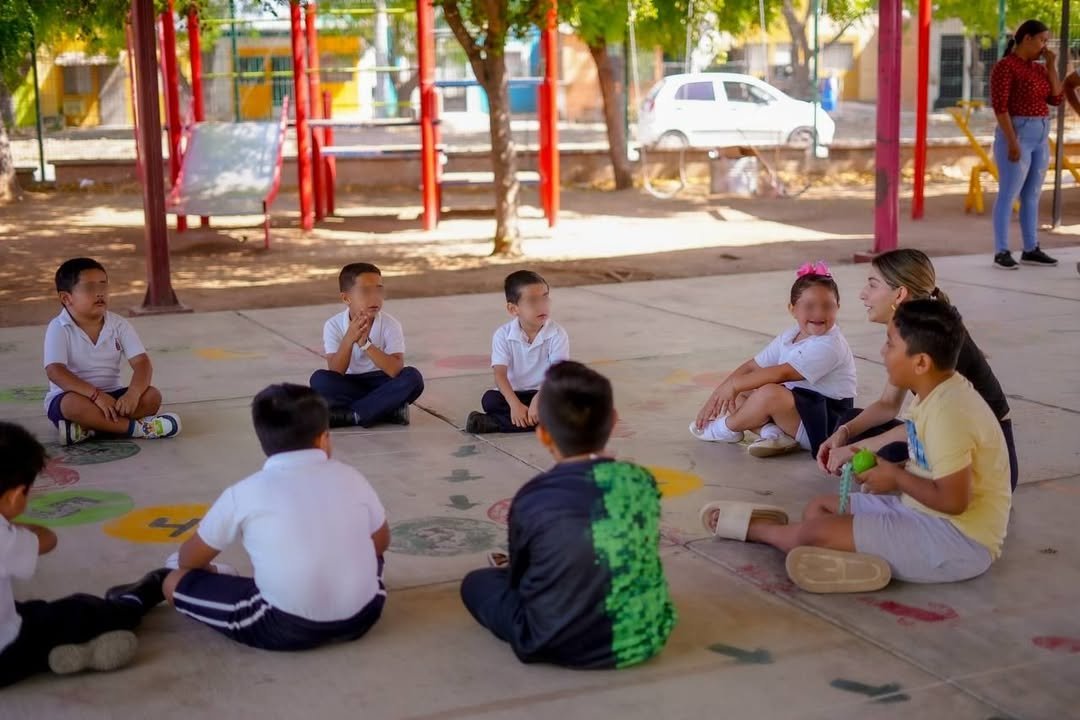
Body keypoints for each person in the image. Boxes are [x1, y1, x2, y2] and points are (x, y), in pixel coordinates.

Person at [700, 301, 1012, 593]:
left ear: (920, 362)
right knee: (819, 509)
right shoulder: (937, 392)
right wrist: (860, 450)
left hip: (958, 542)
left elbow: (955, 501)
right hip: (923, 513)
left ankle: (761, 531)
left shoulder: (950, 413)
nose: (882, 351)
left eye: (890, 344)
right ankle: (855, 560)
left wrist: (896, 477)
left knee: (813, 534)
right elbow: (914, 436)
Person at [460, 361, 676, 668]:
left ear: (543, 435)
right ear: (613, 421)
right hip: (644, 638)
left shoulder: (532, 497)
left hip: (551, 641)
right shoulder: (641, 481)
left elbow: (520, 579)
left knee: (476, 584)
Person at [159, 384, 389, 651]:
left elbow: (188, 560)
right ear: (324, 438)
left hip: (285, 625)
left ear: (263, 441)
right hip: (365, 613)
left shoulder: (244, 492)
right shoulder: (352, 477)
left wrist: (207, 571)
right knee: (363, 548)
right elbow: (381, 543)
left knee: (173, 581)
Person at [817, 249, 1019, 491]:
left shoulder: (934, 341)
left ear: (900, 294)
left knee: (890, 452)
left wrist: (855, 449)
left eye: (872, 285)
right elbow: (888, 404)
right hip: (943, 436)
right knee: (851, 421)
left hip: (986, 460)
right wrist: (844, 432)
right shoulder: (908, 331)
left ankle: (900, 477)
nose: (863, 294)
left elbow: (924, 427)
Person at [0, 421, 167, 687]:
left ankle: (52, 655)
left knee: (29, 610)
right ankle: (130, 603)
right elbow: (47, 540)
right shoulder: (5, 538)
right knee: (79, 610)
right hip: (6, 653)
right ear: (16, 495)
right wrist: (16, 527)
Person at [691, 262, 856, 458]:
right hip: (799, 412)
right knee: (743, 391)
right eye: (809, 306)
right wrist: (721, 392)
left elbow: (782, 373)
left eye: (827, 306)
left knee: (768, 392)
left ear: (838, 308)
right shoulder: (791, 335)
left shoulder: (830, 345)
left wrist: (734, 385)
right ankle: (773, 434)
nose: (819, 313)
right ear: (792, 309)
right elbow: (753, 366)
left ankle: (725, 428)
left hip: (824, 425)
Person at [43, 258, 180, 446]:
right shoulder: (59, 327)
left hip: (114, 397)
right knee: (71, 405)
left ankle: (89, 429)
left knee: (152, 396)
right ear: (66, 298)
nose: (99, 292)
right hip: (75, 397)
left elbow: (141, 363)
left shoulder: (119, 324)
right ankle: (140, 429)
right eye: (89, 288)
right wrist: (96, 396)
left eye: (103, 285)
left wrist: (132, 394)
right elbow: (55, 371)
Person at [310, 263, 424, 427]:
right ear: (346, 298)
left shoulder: (390, 324)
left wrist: (365, 344)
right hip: (349, 383)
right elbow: (335, 371)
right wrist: (349, 338)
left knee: (413, 378)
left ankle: (353, 416)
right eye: (365, 291)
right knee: (319, 380)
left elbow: (395, 370)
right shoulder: (333, 325)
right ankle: (387, 410)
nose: (374, 297)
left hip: (382, 381)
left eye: (379, 290)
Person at [989, 19, 1063, 270]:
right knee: (1008, 194)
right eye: (1042, 40)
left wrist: (1051, 66)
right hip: (1017, 134)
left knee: (1032, 194)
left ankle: (1031, 248)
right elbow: (1000, 107)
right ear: (1027, 38)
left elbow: (1056, 98)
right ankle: (1001, 251)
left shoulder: (1039, 69)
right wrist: (1012, 142)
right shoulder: (1006, 66)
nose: (1045, 46)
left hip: (1041, 135)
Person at [465, 271, 570, 434]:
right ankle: (541, 421)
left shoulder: (557, 333)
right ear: (513, 309)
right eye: (532, 301)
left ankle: (494, 423)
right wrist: (514, 405)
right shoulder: (503, 335)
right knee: (490, 400)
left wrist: (538, 400)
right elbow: (500, 375)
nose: (542, 306)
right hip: (515, 394)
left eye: (545, 298)